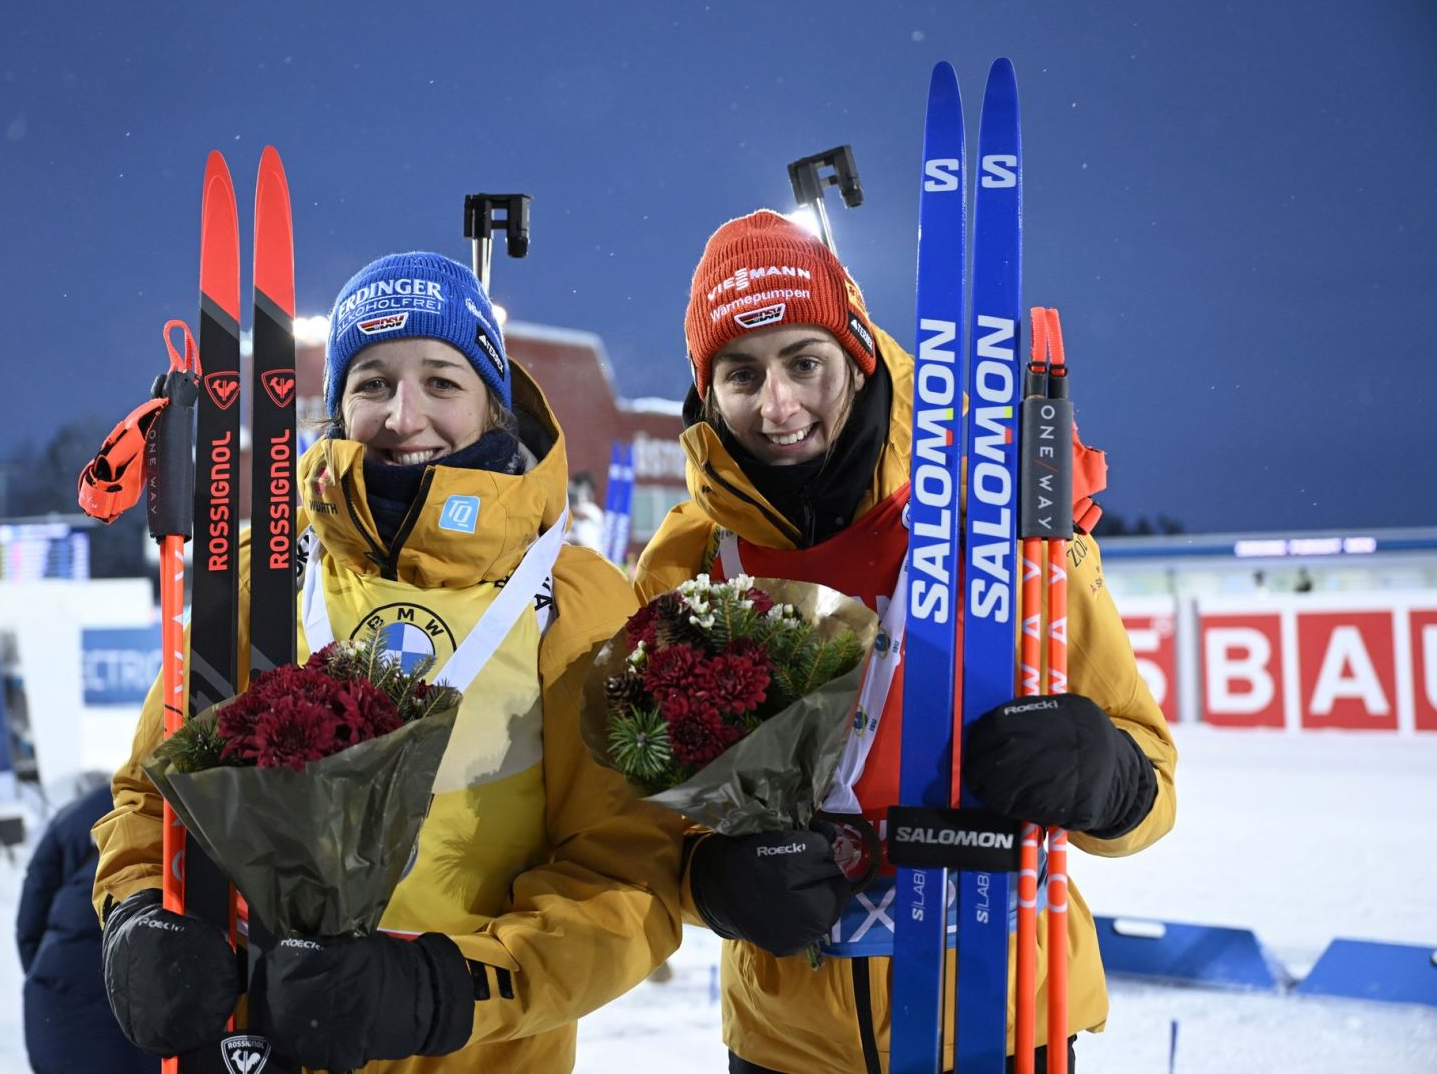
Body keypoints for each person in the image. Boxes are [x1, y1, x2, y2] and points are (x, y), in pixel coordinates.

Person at [91, 251, 684, 1072]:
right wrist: (139, 914)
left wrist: (442, 989)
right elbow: (150, 802)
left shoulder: (577, 601)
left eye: (442, 380)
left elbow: (633, 877)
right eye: (371, 383)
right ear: (336, 408)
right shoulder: (267, 577)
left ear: (491, 405)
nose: (404, 415)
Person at [632, 211, 1178, 1073]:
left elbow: (1152, 779)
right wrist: (713, 881)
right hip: (788, 1039)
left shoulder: (995, 511)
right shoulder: (691, 559)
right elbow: (653, 812)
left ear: (855, 353)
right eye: (741, 373)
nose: (777, 405)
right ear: (706, 391)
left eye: (803, 363)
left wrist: (1102, 775)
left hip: (1006, 1015)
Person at [16, 781, 158, 1074]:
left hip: (62, 990)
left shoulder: (78, 813)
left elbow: (31, 914)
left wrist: (47, 974)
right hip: (153, 989)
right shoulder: (184, 800)